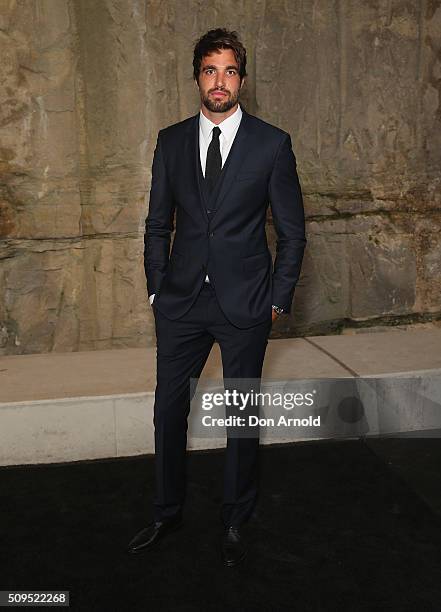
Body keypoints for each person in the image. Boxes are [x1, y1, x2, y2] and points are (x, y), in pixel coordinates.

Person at [128, 28, 306, 567]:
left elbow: (293, 232)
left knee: (241, 416)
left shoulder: (272, 144)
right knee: (167, 411)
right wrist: (158, 287)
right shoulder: (171, 140)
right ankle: (166, 511)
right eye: (210, 70)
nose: (219, 81)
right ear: (196, 80)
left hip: (246, 304)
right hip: (181, 303)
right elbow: (157, 224)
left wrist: (277, 299)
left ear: (243, 81)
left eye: (229, 71)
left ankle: (235, 518)